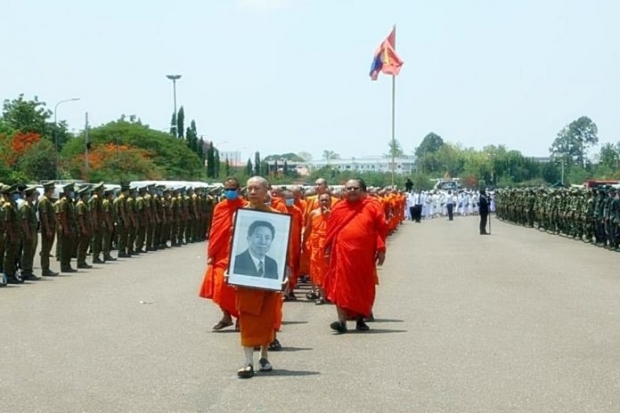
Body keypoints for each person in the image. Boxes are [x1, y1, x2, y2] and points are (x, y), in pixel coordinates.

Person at [230, 176, 289, 379]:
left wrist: (285, 273)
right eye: (250, 188)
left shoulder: (276, 215)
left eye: (257, 188)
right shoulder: (240, 215)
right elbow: (233, 244)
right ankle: (248, 361)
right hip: (245, 278)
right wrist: (229, 269)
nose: (252, 192)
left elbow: (283, 250)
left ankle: (264, 355)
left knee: (266, 318)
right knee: (246, 317)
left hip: (269, 279)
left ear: (267, 191)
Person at [324, 179, 387, 333]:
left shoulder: (372, 206)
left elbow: (381, 228)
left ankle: (360, 319)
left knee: (363, 287)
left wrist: (381, 249)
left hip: (364, 256)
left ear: (362, 190)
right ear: (344, 191)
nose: (352, 191)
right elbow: (331, 231)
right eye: (349, 188)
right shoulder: (338, 208)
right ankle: (342, 322)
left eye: (355, 188)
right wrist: (327, 249)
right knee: (340, 285)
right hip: (341, 254)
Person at [199, 177, 245, 331]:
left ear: (239, 190)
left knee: (237, 288)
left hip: (238, 253)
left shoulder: (245, 206)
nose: (229, 192)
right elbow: (215, 231)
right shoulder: (220, 207)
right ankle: (226, 316)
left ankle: (240, 317)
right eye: (226, 189)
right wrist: (211, 253)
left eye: (232, 189)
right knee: (219, 285)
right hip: (220, 253)